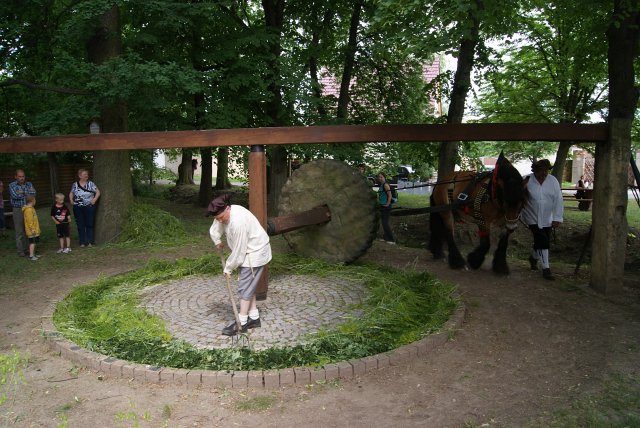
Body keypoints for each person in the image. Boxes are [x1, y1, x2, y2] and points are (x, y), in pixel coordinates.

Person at [208, 194, 272, 336]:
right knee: (249, 286)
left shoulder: (239, 222)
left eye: (220, 217)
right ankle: (254, 318)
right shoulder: (224, 214)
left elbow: (239, 251)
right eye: (216, 218)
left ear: (227, 209)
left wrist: (228, 268)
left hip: (254, 253)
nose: (219, 220)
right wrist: (217, 239)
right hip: (247, 252)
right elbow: (216, 226)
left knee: (244, 288)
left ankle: (241, 322)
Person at [522, 159, 564, 280]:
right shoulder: (526, 180)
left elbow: (558, 199)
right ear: (535, 171)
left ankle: (533, 258)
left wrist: (557, 217)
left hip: (547, 217)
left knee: (541, 239)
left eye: (546, 171)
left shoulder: (553, 181)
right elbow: (519, 198)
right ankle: (546, 268)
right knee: (543, 240)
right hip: (531, 216)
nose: (544, 173)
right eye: (541, 171)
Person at [69, 168, 100, 247]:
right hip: (78, 207)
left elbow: (98, 192)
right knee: (80, 224)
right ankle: (82, 242)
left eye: (87, 174)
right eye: (84, 174)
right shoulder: (75, 184)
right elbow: (71, 193)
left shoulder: (91, 184)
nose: (86, 175)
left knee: (89, 223)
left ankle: (89, 242)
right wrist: (71, 200)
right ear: (80, 176)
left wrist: (95, 199)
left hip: (89, 207)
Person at [9, 169, 36, 256]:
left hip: (28, 208)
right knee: (19, 230)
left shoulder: (29, 184)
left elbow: (34, 193)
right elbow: (15, 196)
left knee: (28, 228)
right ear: (16, 177)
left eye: (23, 176)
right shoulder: (12, 185)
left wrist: (23, 193)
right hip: (18, 209)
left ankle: (28, 249)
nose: (22, 178)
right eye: (19, 176)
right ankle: (21, 251)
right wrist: (27, 194)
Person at [377, 172, 396, 244]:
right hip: (382, 205)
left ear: (384, 177)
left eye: (381, 177)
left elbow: (389, 195)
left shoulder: (385, 185)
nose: (380, 178)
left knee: (385, 223)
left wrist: (387, 204)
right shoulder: (381, 185)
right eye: (379, 177)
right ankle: (386, 238)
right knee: (383, 222)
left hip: (386, 206)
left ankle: (391, 240)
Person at [22, 196, 40, 261]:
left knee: (34, 242)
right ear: (32, 201)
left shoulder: (31, 208)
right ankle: (31, 255)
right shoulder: (28, 210)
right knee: (32, 243)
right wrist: (32, 229)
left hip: (35, 229)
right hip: (32, 230)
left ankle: (34, 254)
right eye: (35, 200)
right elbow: (30, 221)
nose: (35, 201)